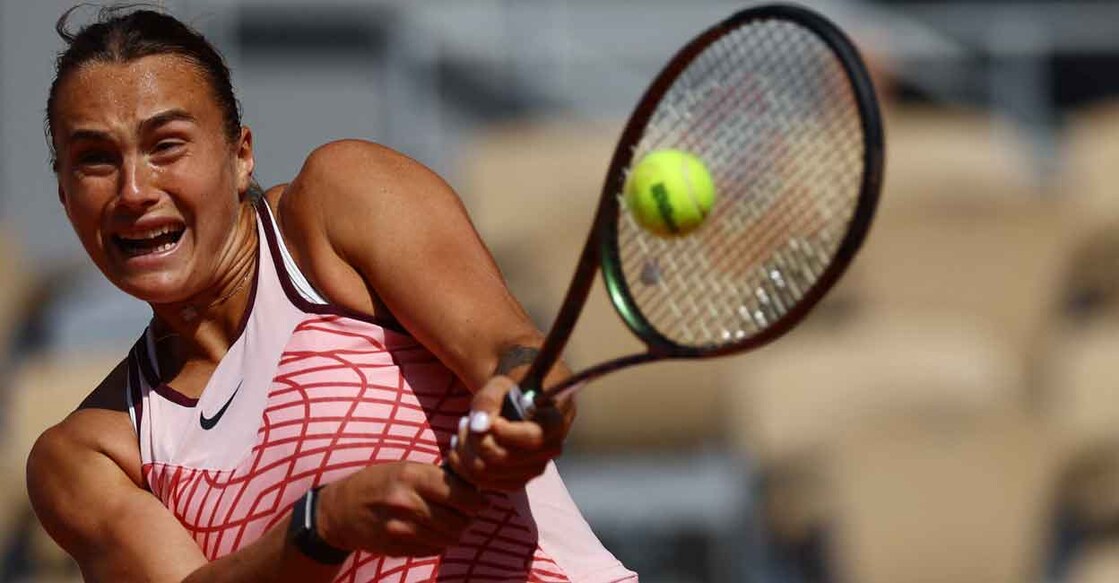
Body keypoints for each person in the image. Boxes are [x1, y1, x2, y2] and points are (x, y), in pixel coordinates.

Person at [25, 7, 636, 582]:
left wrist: (523, 407)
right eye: (96, 160)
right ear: (64, 196)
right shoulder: (86, 456)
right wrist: (323, 524)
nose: (134, 190)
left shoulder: (341, 200)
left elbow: (518, 353)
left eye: (167, 146)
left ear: (240, 156)